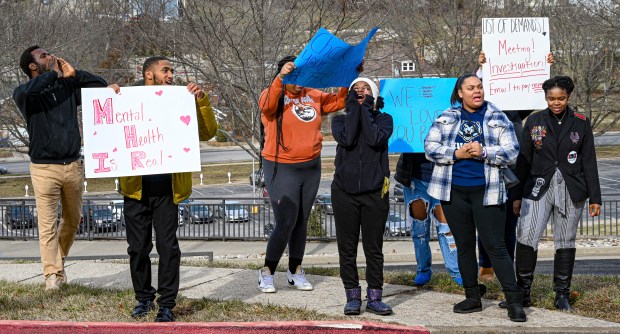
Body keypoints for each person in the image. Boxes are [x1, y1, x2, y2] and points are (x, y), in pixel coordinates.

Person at [119, 56, 218, 322]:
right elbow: (109, 127)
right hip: (135, 190)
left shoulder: (181, 98)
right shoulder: (126, 99)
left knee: (168, 247)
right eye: (166, 70)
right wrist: (107, 98)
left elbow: (208, 132)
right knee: (137, 248)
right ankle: (143, 299)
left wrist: (202, 101)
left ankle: (167, 304)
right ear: (149, 74)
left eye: (172, 70)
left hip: (167, 190)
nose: (172, 75)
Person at [424, 74, 526, 322]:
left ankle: (514, 301)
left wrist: (485, 152)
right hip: (453, 191)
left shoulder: (497, 116)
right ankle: (472, 297)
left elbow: (512, 152)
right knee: (465, 247)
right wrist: (456, 153)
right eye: (470, 88)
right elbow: (430, 147)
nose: (476, 91)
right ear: (460, 93)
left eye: (479, 87)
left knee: (496, 247)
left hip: (487, 191)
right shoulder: (447, 116)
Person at [13, 46, 108, 291]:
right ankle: (52, 277)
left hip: (73, 165)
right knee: (47, 225)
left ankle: (58, 261)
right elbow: (31, 88)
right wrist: (54, 73)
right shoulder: (25, 94)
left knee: (73, 220)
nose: (51, 56)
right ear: (33, 66)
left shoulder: (67, 88)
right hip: (44, 168)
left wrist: (74, 75)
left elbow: (100, 84)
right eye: (44, 56)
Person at [257, 56, 349, 293]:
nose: (300, 83)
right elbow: (266, 106)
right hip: (281, 166)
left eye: (303, 77)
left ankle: (295, 270)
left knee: (301, 220)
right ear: (284, 76)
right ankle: (267, 271)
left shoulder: (314, 95)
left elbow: (339, 101)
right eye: (295, 77)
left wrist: (348, 74)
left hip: (310, 167)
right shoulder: (273, 95)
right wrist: (280, 78)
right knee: (286, 220)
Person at [513, 76, 601, 312]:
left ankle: (562, 294)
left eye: (561, 98)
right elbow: (523, 160)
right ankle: (523, 292)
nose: (556, 103)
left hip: (571, 189)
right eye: (551, 98)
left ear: (568, 97)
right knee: (526, 236)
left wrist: (596, 197)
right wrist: (516, 195)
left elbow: (589, 161)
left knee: (565, 240)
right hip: (537, 187)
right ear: (545, 98)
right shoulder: (534, 120)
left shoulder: (581, 122)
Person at [476, 51, 555, 283]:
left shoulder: (514, 113)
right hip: (485, 169)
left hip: (511, 171)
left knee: (510, 222)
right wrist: (482, 69)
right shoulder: (478, 110)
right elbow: (472, 89)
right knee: (486, 221)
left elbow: (532, 96)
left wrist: (543, 66)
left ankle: (506, 268)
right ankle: (486, 265)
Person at [331, 78, 394, 315]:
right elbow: (347, 139)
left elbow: (375, 138)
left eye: (366, 89)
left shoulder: (384, 119)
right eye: (355, 90)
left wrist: (366, 108)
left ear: (374, 95)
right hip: (344, 193)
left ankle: (375, 296)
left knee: (373, 247)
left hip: (374, 193)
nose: (360, 92)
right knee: (347, 248)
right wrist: (355, 110)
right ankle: (352, 296)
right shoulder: (339, 121)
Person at [394, 153, 462, 287]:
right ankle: (423, 270)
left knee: (446, 228)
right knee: (419, 229)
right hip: (415, 176)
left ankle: (456, 272)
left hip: (443, 175)